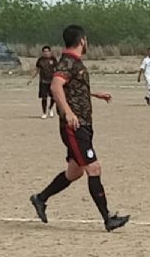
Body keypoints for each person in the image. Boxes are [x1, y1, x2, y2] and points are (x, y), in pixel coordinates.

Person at [29, 24, 130, 232]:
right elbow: (55, 86)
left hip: (82, 124)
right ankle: (108, 218)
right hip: (74, 126)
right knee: (94, 168)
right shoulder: (67, 62)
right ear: (82, 40)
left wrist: (94, 94)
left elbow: (72, 87)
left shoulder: (74, 63)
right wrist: (69, 113)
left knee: (74, 172)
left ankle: (40, 198)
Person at [27, 45, 57, 119]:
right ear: (42, 52)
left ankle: (50, 108)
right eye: (44, 51)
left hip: (52, 81)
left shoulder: (53, 59)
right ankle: (44, 112)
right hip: (43, 81)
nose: (46, 53)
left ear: (50, 52)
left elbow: (57, 69)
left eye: (47, 51)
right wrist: (31, 79)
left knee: (53, 97)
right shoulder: (40, 60)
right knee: (44, 98)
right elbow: (37, 70)